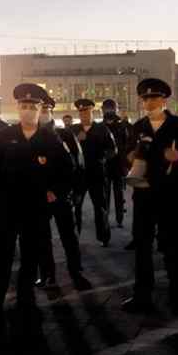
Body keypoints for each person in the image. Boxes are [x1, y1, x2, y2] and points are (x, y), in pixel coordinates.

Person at [0, 83, 72, 332]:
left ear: (40, 109)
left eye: (33, 106)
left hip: (37, 209)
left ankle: (26, 300)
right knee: (1, 256)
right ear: (18, 108)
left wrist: (56, 191)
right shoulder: (5, 135)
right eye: (24, 105)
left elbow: (68, 169)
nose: (28, 110)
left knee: (31, 256)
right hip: (8, 207)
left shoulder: (50, 139)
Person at [121, 78, 178, 314]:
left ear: (164, 100)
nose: (150, 102)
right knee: (142, 245)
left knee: (174, 245)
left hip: (171, 195)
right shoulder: (138, 126)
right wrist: (131, 157)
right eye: (146, 99)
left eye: (154, 98)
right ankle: (142, 294)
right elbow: (126, 155)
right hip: (143, 194)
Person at [36, 94, 91, 290]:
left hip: (62, 195)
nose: (42, 113)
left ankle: (76, 273)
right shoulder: (29, 135)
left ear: (51, 111)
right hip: (38, 197)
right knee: (42, 238)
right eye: (40, 109)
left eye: (45, 109)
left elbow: (78, 165)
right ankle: (47, 274)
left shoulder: (64, 134)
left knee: (69, 237)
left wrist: (72, 192)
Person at [70, 99, 116, 246]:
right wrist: (76, 140)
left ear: (92, 111)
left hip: (97, 173)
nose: (84, 114)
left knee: (100, 206)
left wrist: (102, 159)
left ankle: (104, 237)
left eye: (87, 111)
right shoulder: (73, 130)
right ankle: (74, 237)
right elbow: (66, 151)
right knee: (75, 207)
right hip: (79, 175)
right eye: (81, 112)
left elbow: (112, 149)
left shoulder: (102, 129)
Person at [101, 99, 131, 228]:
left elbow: (126, 147)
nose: (109, 111)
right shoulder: (100, 127)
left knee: (119, 194)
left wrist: (126, 166)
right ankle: (105, 219)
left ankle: (119, 219)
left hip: (118, 166)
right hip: (105, 166)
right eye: (106, 108)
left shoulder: (122, 126)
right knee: (105, 195)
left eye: (111, 108)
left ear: (115, 109)